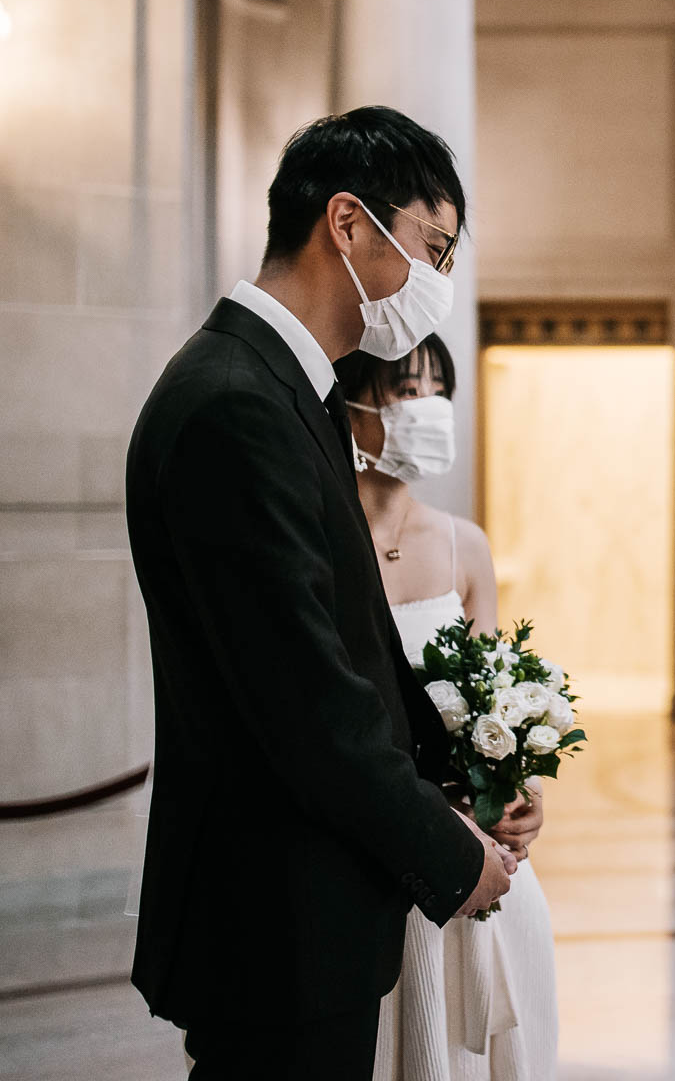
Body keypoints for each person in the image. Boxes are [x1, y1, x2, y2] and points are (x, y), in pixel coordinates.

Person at [125, 107, 516, 1079]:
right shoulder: (233, 405)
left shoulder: (281, 392)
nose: (438, 284)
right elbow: (306, 700)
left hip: (307, 909)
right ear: (346, 223)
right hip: (274, 912)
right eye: (432, 248)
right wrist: (451, 855)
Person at [336, 335, 560, 1079]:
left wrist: (521, 796)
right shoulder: (325, 544)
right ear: (354, 399)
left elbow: (495, 707)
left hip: (488, 866)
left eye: (437, 388)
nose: (425, 406)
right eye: (404, 388)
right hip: (380, 867)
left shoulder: (465, 546)